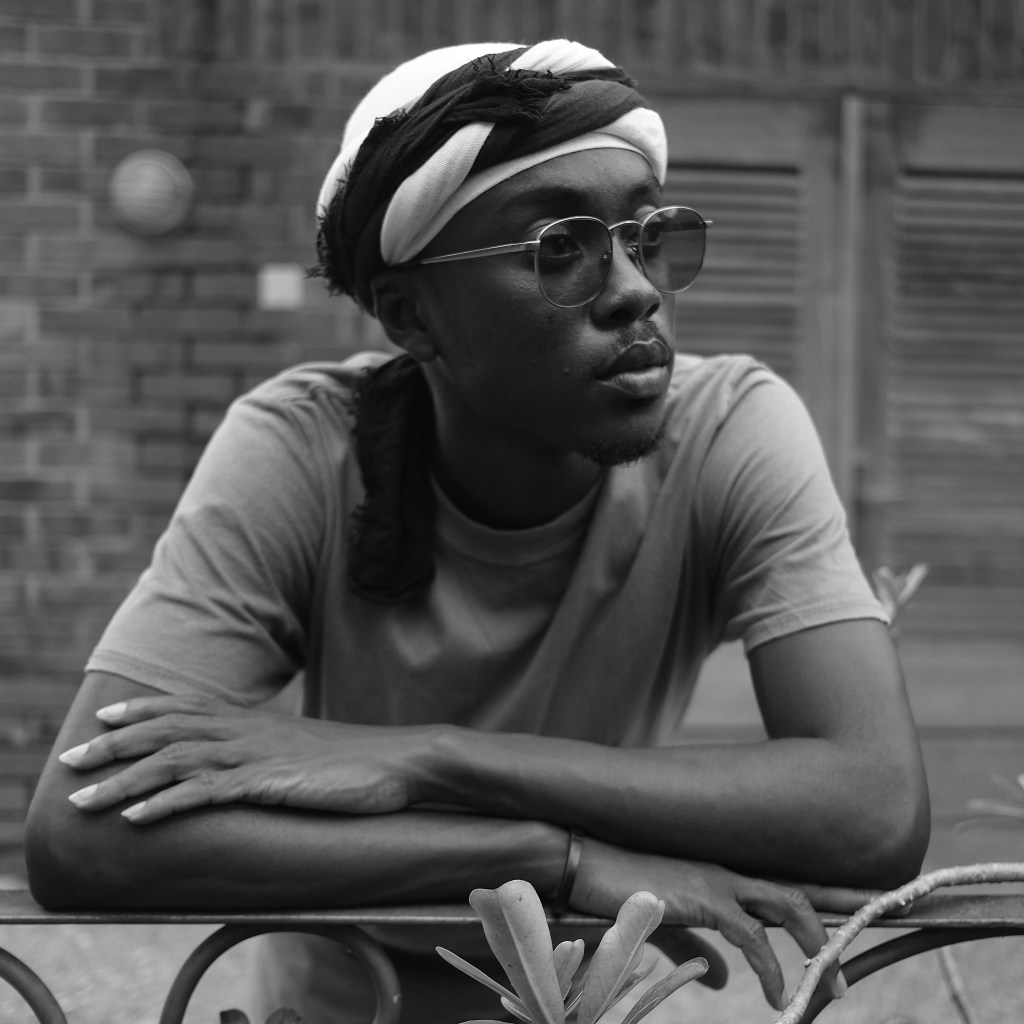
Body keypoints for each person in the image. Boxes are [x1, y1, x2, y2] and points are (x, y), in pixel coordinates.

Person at [25, 38, 930, 1024]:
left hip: (574, 996)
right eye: (559, 249)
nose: (637, 289)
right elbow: (81, 838)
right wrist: (547, 856)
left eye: (645, 235)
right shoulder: (301, 448)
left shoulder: (729, 431)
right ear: (410, 315)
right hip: (340, 993)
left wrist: (430, 758)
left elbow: (871, 809)